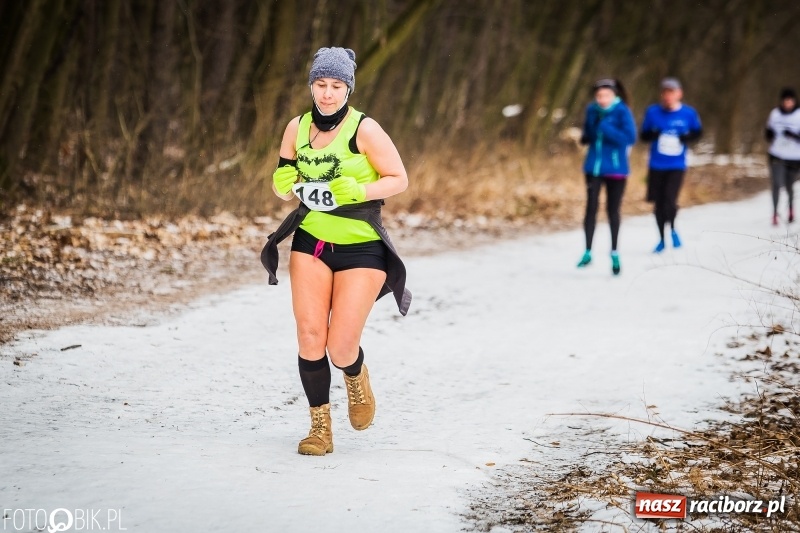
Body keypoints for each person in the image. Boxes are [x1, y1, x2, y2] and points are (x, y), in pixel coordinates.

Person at [260, 47, 411, 456]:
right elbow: (284, 177)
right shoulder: (296, 126)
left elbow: (399, 178)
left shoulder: (365, 129)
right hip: (311, 240)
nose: (327, 94)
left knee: (340, 345)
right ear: (311, 85)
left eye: (336, 86)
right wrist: (281, 181)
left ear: (348, 88)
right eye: (321, 85)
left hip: (362, 246)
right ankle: (319, 428)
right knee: (310, 337)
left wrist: (361, 189)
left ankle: (356, 375)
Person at [576, 79, 637, 275]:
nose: (602, 99)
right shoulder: (591, 110)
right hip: (593, 167)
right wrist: (586, 135)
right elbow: (589, 134)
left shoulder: (622, 111)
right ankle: (587, 251)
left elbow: (630, 138)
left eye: (606, 95)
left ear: (614, 95)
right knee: (590, 208)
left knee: (613, 210)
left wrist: (606, 128)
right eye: (599, 96)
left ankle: (614, 252)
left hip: (616, 167)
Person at [639, 77, 702, 252]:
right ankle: (661, 239)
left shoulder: (689, 113)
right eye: (665, 93)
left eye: (671, 93)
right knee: (658, 203)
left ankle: (673, 229)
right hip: (656, 164)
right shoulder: (652, 112)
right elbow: (643, 136)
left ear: (679, 94)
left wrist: (685, 138)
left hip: (677, 165)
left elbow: (698, 133)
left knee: (669, 200)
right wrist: (654, 134)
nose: (668, 96)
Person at [764, 87, 800, 225]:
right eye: (786, 100)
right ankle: (775, 213)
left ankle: (791, 209)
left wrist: (794, 135)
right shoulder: (775, 114)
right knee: (776, 184)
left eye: (790, 100)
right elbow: (768, 131)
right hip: (776, 155)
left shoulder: (798, 115)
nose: (788, 103)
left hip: (795, 158)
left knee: (789, 185)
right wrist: (769, 134)